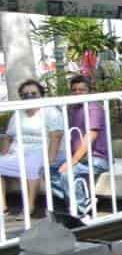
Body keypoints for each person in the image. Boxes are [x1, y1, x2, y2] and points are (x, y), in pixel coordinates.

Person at [0, 80, 63, 215]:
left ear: (41, 94)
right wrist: (4, 155)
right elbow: (8, 136)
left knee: (31, 166)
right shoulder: (18, 113)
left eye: (34, 93)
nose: (29, 96)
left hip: (39, 149)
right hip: (17, 151)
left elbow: (56, 136)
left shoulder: (50, 111)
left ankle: (29, 206)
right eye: (25, 94)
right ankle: (2, 206)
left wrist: (50, 159)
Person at [50, 76, 109, 217]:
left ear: (89, 91)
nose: (77, 93)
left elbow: (91, 135)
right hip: (79, 158)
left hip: (96, 158)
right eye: (74, 90)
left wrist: (72, 161)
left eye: (82, 90)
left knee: (66, 174)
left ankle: (81, 209)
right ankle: (82, 202)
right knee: (46, 170)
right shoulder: (73, 108)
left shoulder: (93, 107)